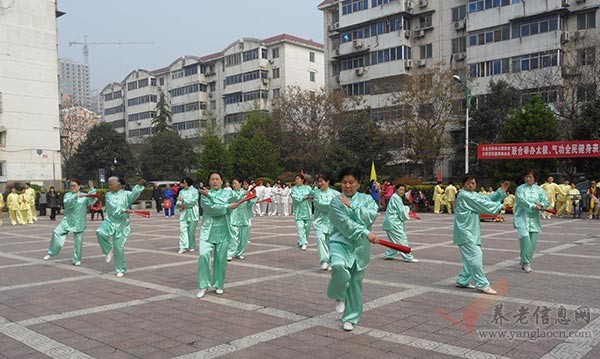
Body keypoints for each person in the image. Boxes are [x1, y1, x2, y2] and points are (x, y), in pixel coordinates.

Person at [327, 167, 380, 331]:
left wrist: (352, 205)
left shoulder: (367, 199)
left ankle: (351, 318)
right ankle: (338, 295)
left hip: (360, 247)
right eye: (344, 182)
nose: (347, 186)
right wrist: (366, 232)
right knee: (337, 266)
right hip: (340, 242)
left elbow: (370, 216)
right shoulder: (336, 201)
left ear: (358, 184)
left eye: (351, 182)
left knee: (355, 283)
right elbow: (345, 224)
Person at [454, 175, 508, 295]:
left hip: (472, 231)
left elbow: (486, 199)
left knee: (470, 259)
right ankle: (482, 284)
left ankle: (463, 280)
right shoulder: (464, 195)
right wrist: (500, 206)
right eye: (469, 183)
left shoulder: (473, 194)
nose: (471, 185)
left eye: (473, 183)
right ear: (464, 184)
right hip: (465, 232)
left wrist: (501, 191)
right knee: (476, 255)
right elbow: (484, 205)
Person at [196, 172, 241, 298]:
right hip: (208, 231)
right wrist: (226, 205)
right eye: (212, 179)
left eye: (217, 179)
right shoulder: (205, 195)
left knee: (221, 259)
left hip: (223, 230)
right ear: (209, 182)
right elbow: (212, 209)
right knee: (203, 255)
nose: (215, 181)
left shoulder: (228, 193)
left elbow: (238, 199)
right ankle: (203, 285)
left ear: (222, 182)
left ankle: (219, 284)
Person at [96, 176, 146, 277]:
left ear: (118, 184)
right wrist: (122, 209)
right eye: (108, 184)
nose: (109, 186)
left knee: (119, 248)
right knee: (99, 232)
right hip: (110, 221)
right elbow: (112, 207)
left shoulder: (126, 194)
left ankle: (120, 269)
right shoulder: (108, 194)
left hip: (122, 223)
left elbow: (134, 196)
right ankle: (108, 250)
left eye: (111, 184)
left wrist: (139, 186)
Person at [43, 180, 97, 266]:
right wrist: (75, 196)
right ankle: (52, 252)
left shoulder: (84, 196)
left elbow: (92, 199)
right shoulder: (67, 195)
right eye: (71, 186)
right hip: (67, 220)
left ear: (79, 186)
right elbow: (68, 204)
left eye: (74, 185)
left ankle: (77, 259)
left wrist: (91, 188)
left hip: (79, 221)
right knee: (57, 232)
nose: (72, 187)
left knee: (78, 242)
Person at [514, 169, 549, 273]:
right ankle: (525, 262)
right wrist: (534, 206)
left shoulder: (539, 190)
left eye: (530, 177)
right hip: (522, 218)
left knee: (532, 242)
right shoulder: (520, 189)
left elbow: (546, 201)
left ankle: (526, 261)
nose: (528, 179)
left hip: (534, 219)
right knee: (525, 239)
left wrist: (542, 205)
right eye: (526, 177)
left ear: (535, 178)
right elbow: (521, 201)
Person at [383, 183, 419, 263]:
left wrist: (406, 209)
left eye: (403, 190)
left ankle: (389, 255)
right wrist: (407, 212)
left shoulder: (396, 197)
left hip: (392, 222)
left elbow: (401, 209)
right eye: (400, 190)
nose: (402, 192)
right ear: (396, 190)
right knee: (402, 239)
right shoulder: (396, 197)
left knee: (394, 241)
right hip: (394, 222)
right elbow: (401, 211)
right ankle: (408, 257)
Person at [312, 173, 340, 270]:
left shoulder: (336, 193)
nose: (320, 183)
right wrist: (333, 205)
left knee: (331, 242)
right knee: (320, 239)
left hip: (332, 222)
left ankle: (332, 261)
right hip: (320, 222)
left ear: (327, 181)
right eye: (318, 182)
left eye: (322, 181)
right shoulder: (316, 193)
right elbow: (321, 205)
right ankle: (324, 260)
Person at [228, 179, 255, 261]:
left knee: (243, 239)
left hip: (244, 218)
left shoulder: (246, 192)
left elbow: (250, 205)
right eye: (233, 183)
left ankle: (239, 253)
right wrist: (244, 194)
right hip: (234, 218)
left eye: (235, 183)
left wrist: (252, 197)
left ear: (240, 184)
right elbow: (235, 199)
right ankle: (230, 254)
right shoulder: (231, 193)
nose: (234, 185)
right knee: (234, 238)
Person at [176, 177, 199, 254]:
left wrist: (184, 201)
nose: (183, 184)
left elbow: (193, 201)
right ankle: (183, 247)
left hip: (193, 213)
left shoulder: (195, 191)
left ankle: (192, 245)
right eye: (183, 183)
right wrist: (179, 204)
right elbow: (178, 201)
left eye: (184, 183)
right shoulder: (181, 192)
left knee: (191, 232)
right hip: (184, 213)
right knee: (183, 230)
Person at [291, 173, 313, 251]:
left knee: (307, 228)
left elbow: (313, 195)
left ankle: (302, 240)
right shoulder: (294, 189)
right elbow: (295, 197)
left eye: (298, 179)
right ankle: (304, 243)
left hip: (307, 210)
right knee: (300, 228)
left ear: (302, 180)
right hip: (298, 211)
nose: (297, 180)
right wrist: (304, 197)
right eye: (296, 179)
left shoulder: (308, 188)